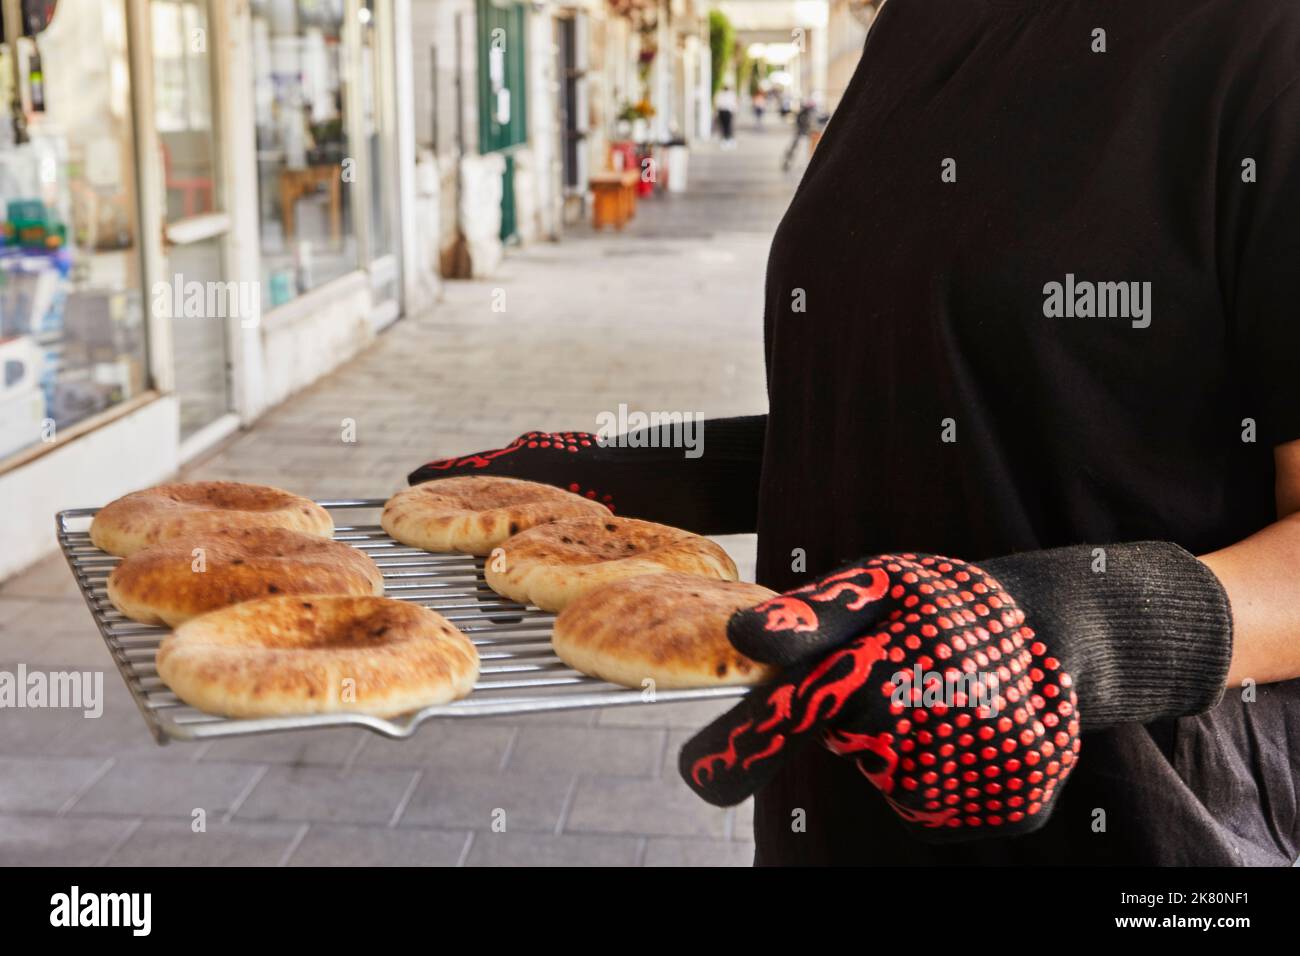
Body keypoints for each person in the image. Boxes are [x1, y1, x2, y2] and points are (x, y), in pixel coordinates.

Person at [409, 0, 1300, 866]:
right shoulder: (911, 27)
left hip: (1136, 825)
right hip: (830, 809)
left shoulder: (1263, 39)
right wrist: (654, 471)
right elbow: (959, 412)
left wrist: (1066, 633)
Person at [782, 97, 824, 171]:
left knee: (811, 147)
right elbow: (800, 122)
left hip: (807, 132)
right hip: (802, 131)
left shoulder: (810, 112)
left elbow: (815, 121)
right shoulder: (804, 112)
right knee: (794, 147)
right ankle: (787, 163)